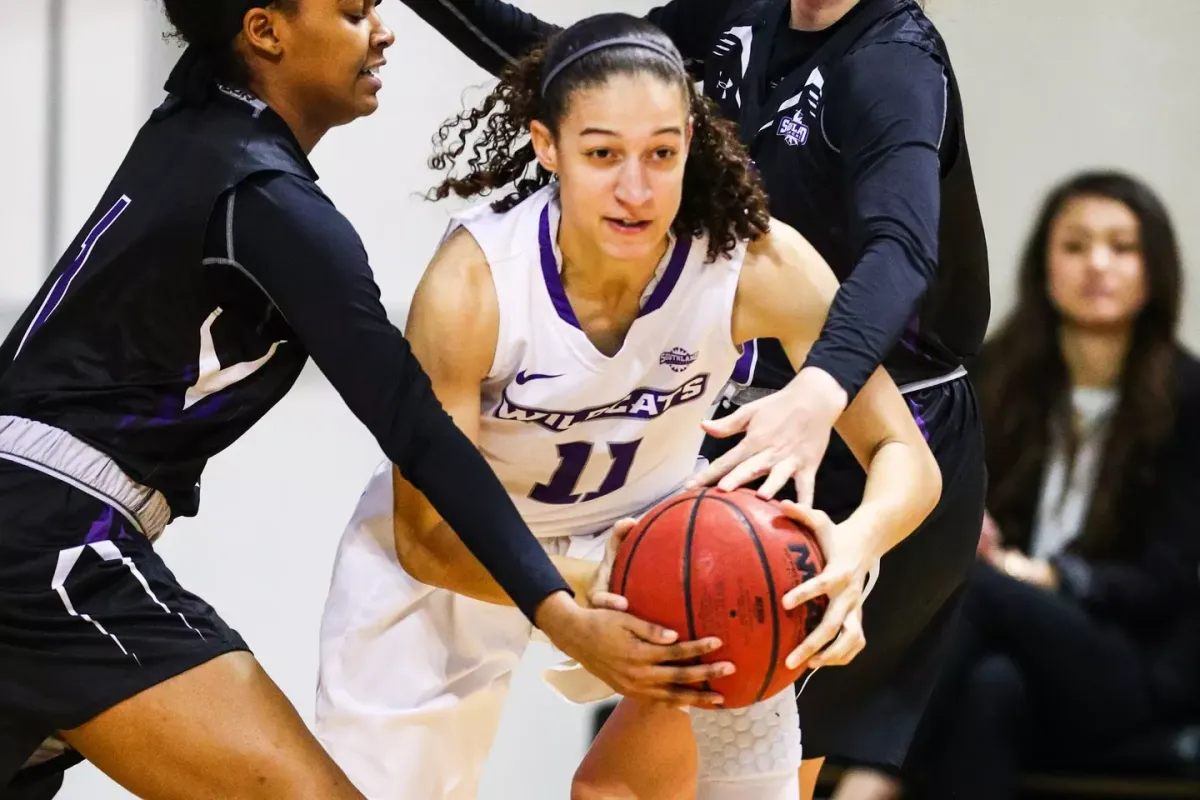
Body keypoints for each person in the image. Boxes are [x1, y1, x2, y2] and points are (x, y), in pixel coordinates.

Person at [0, 2, 729, 798]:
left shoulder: (193, 124)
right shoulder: (269, 202)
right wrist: (558, 609)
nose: (381, 31)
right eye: (353, 11)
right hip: (50, 538)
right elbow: (417, 429)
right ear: (265, 30)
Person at [315, 13, 942, 800]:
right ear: (548, 146)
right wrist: (580, 598)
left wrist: (854, 551)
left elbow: (906, 459)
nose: (637, 189)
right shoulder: (473, 287)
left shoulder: (754, 262)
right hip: (466, 552)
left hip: (665, 551)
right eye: (603, 154)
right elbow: (426, 535)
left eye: (662, 153)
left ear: (691, 138)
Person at [843, 171, 1200, 800]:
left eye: (1122, 247)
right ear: (1044, 264)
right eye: (1075, 245)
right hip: (1009, 657)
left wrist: (1051, 580)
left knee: (977, 593)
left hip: (1129, 670)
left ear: (1155, 267)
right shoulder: (995, 378)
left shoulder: (1188, 397)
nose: (1097, 264)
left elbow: (1167, 579)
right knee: (990, 690)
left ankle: (869, 780)